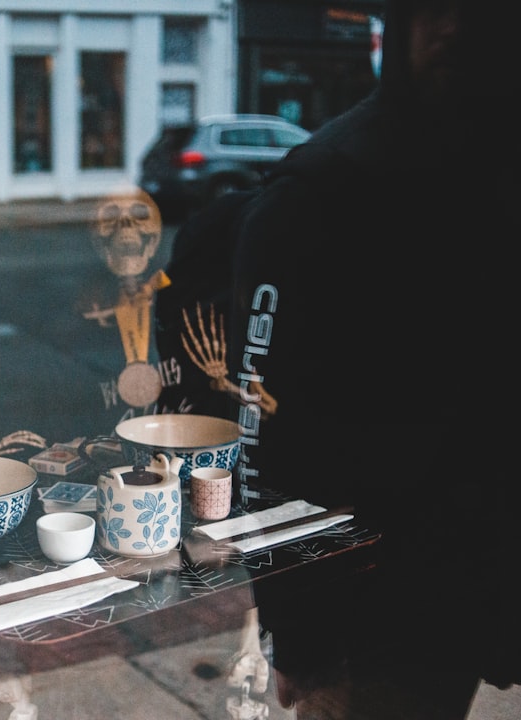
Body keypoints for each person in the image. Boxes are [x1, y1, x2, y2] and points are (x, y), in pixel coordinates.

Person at [227, 0, 521, 717]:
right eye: (435, 9)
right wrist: (301, 640)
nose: (455, 27)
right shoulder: (325, 188)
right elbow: (267, 434)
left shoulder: (495, 176)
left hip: (476, 588)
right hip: (373, 624)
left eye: (483, 12)